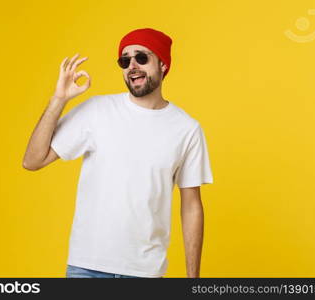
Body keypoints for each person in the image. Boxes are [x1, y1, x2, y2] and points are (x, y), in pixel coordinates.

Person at [23, 28, 214, 278]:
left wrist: (193, 280)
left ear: (163, 64)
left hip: (145, 272)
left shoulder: (186, 129)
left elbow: (191, 206)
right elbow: (33, 160)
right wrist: (59, 99)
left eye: (141, 58)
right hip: (86, 268)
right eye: (125, 60)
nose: (132, 66)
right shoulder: (96, 110)